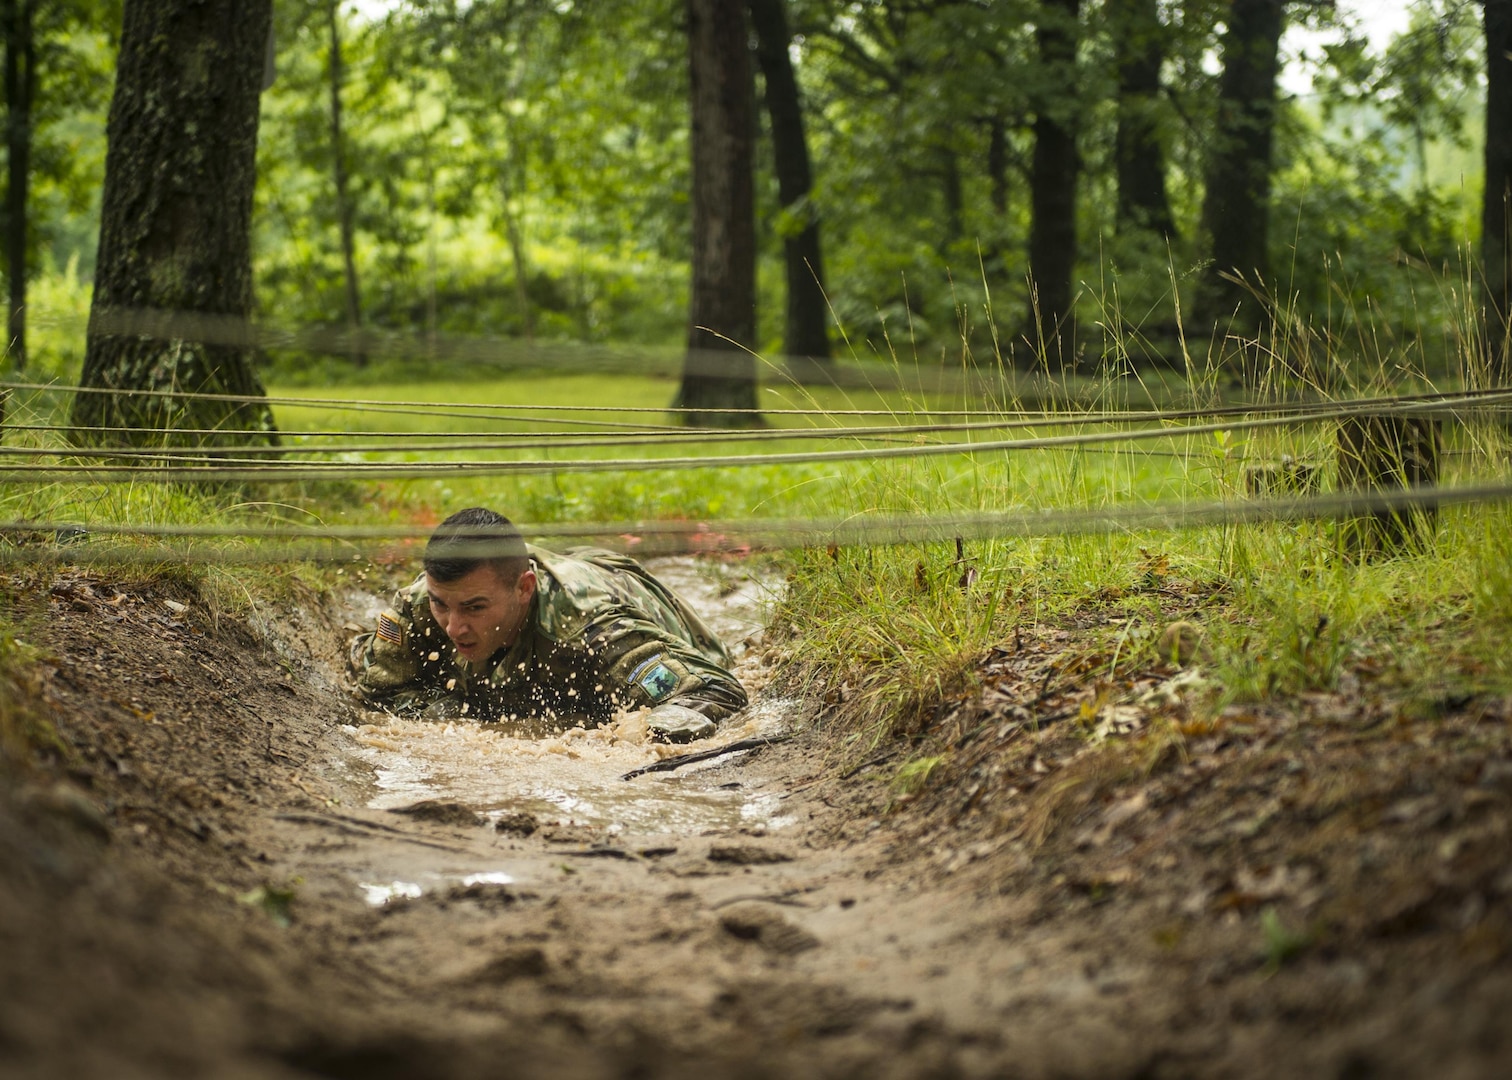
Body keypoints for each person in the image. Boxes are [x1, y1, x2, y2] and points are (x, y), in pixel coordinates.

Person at [348, 508, 747, 742]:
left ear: (524, 589)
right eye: (442, 604)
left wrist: (625, 736)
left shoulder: (593, 627)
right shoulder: (418, 606)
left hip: (619, 589)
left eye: (474, 608)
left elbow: (717, 689)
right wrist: (457, 719)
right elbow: (381, 691)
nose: (453, 627)